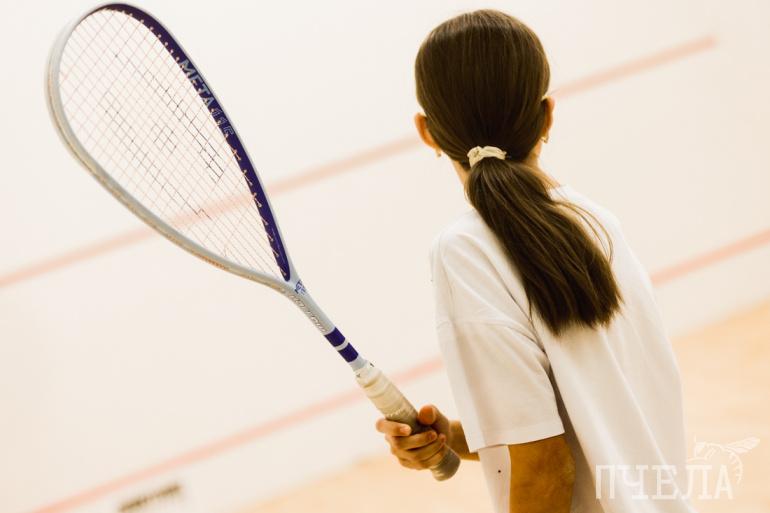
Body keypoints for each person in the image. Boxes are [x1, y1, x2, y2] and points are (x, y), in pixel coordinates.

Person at [375, 9, 697, 513]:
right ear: (547, 116)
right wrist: (458, 438)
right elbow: (596, 420)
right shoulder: (596, 223)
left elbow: (545, 467)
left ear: (427, 132)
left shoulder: (464, 251)